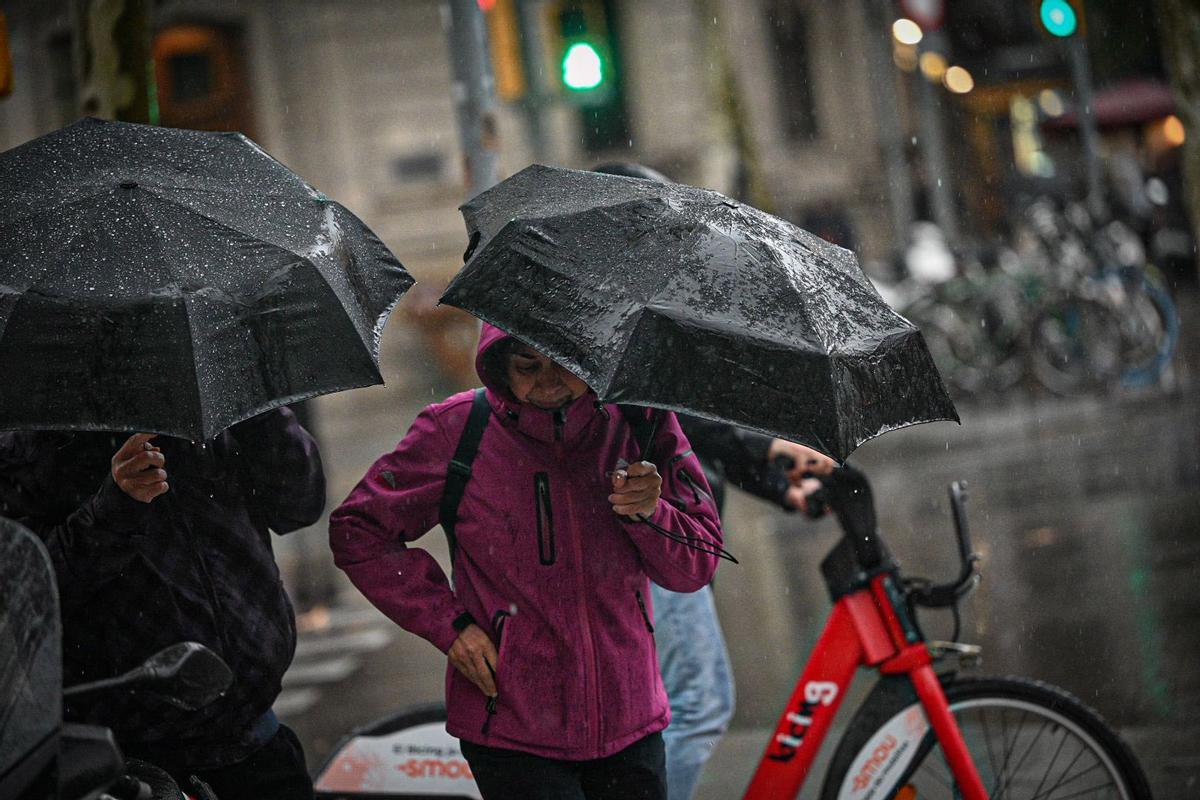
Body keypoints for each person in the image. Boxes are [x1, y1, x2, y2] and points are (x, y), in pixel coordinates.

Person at [329, 325, 724, 800]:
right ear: (499, 366)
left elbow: (697, 566)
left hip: (631, 722)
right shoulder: (456, 429)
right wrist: (449, 627)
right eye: (527, 366)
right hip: (513, 728)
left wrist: (649, 511)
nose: (549, 382)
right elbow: (359, 530)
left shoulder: (639, 421)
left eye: (563, 361)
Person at [592, 161, 838, 800]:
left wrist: (772, 479)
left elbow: (684, 434)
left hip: (655, 530)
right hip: (640, 535)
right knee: (695, 702)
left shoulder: (620, 310)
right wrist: (769, 450)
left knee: (662, 710)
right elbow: (674, 417)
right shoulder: (607, 319)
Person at [0, 408, 325, 799]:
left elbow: (301, 504)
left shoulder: (213, 403)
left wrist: (260, 418)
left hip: (257, 740)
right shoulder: (28, 445)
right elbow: (31, 591)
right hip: (136, 766)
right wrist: (115, 507)